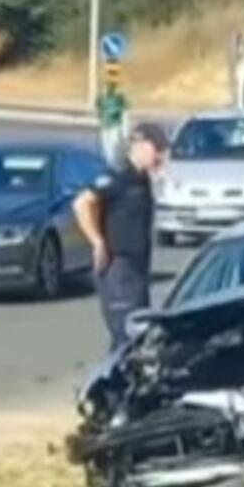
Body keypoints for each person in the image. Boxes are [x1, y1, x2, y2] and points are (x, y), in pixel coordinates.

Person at [74, 123, 170, 351]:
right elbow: (82, 203)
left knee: (138, 333)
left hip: (137, 269)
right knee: (127, 335)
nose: (161, 158)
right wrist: (97, 241)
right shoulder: (118, 176)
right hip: (119, 267)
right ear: (143, 147)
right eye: (158, 152)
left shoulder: (142, 179)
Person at [96, 83, 130, 166]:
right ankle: (111, 163)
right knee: (109, 145)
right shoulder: (104, 98)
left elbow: (125, 111)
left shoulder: (117, 98)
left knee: (110, 145)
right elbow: (99, 108)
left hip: (111, 125)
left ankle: (111, 163)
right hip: (109, 125)